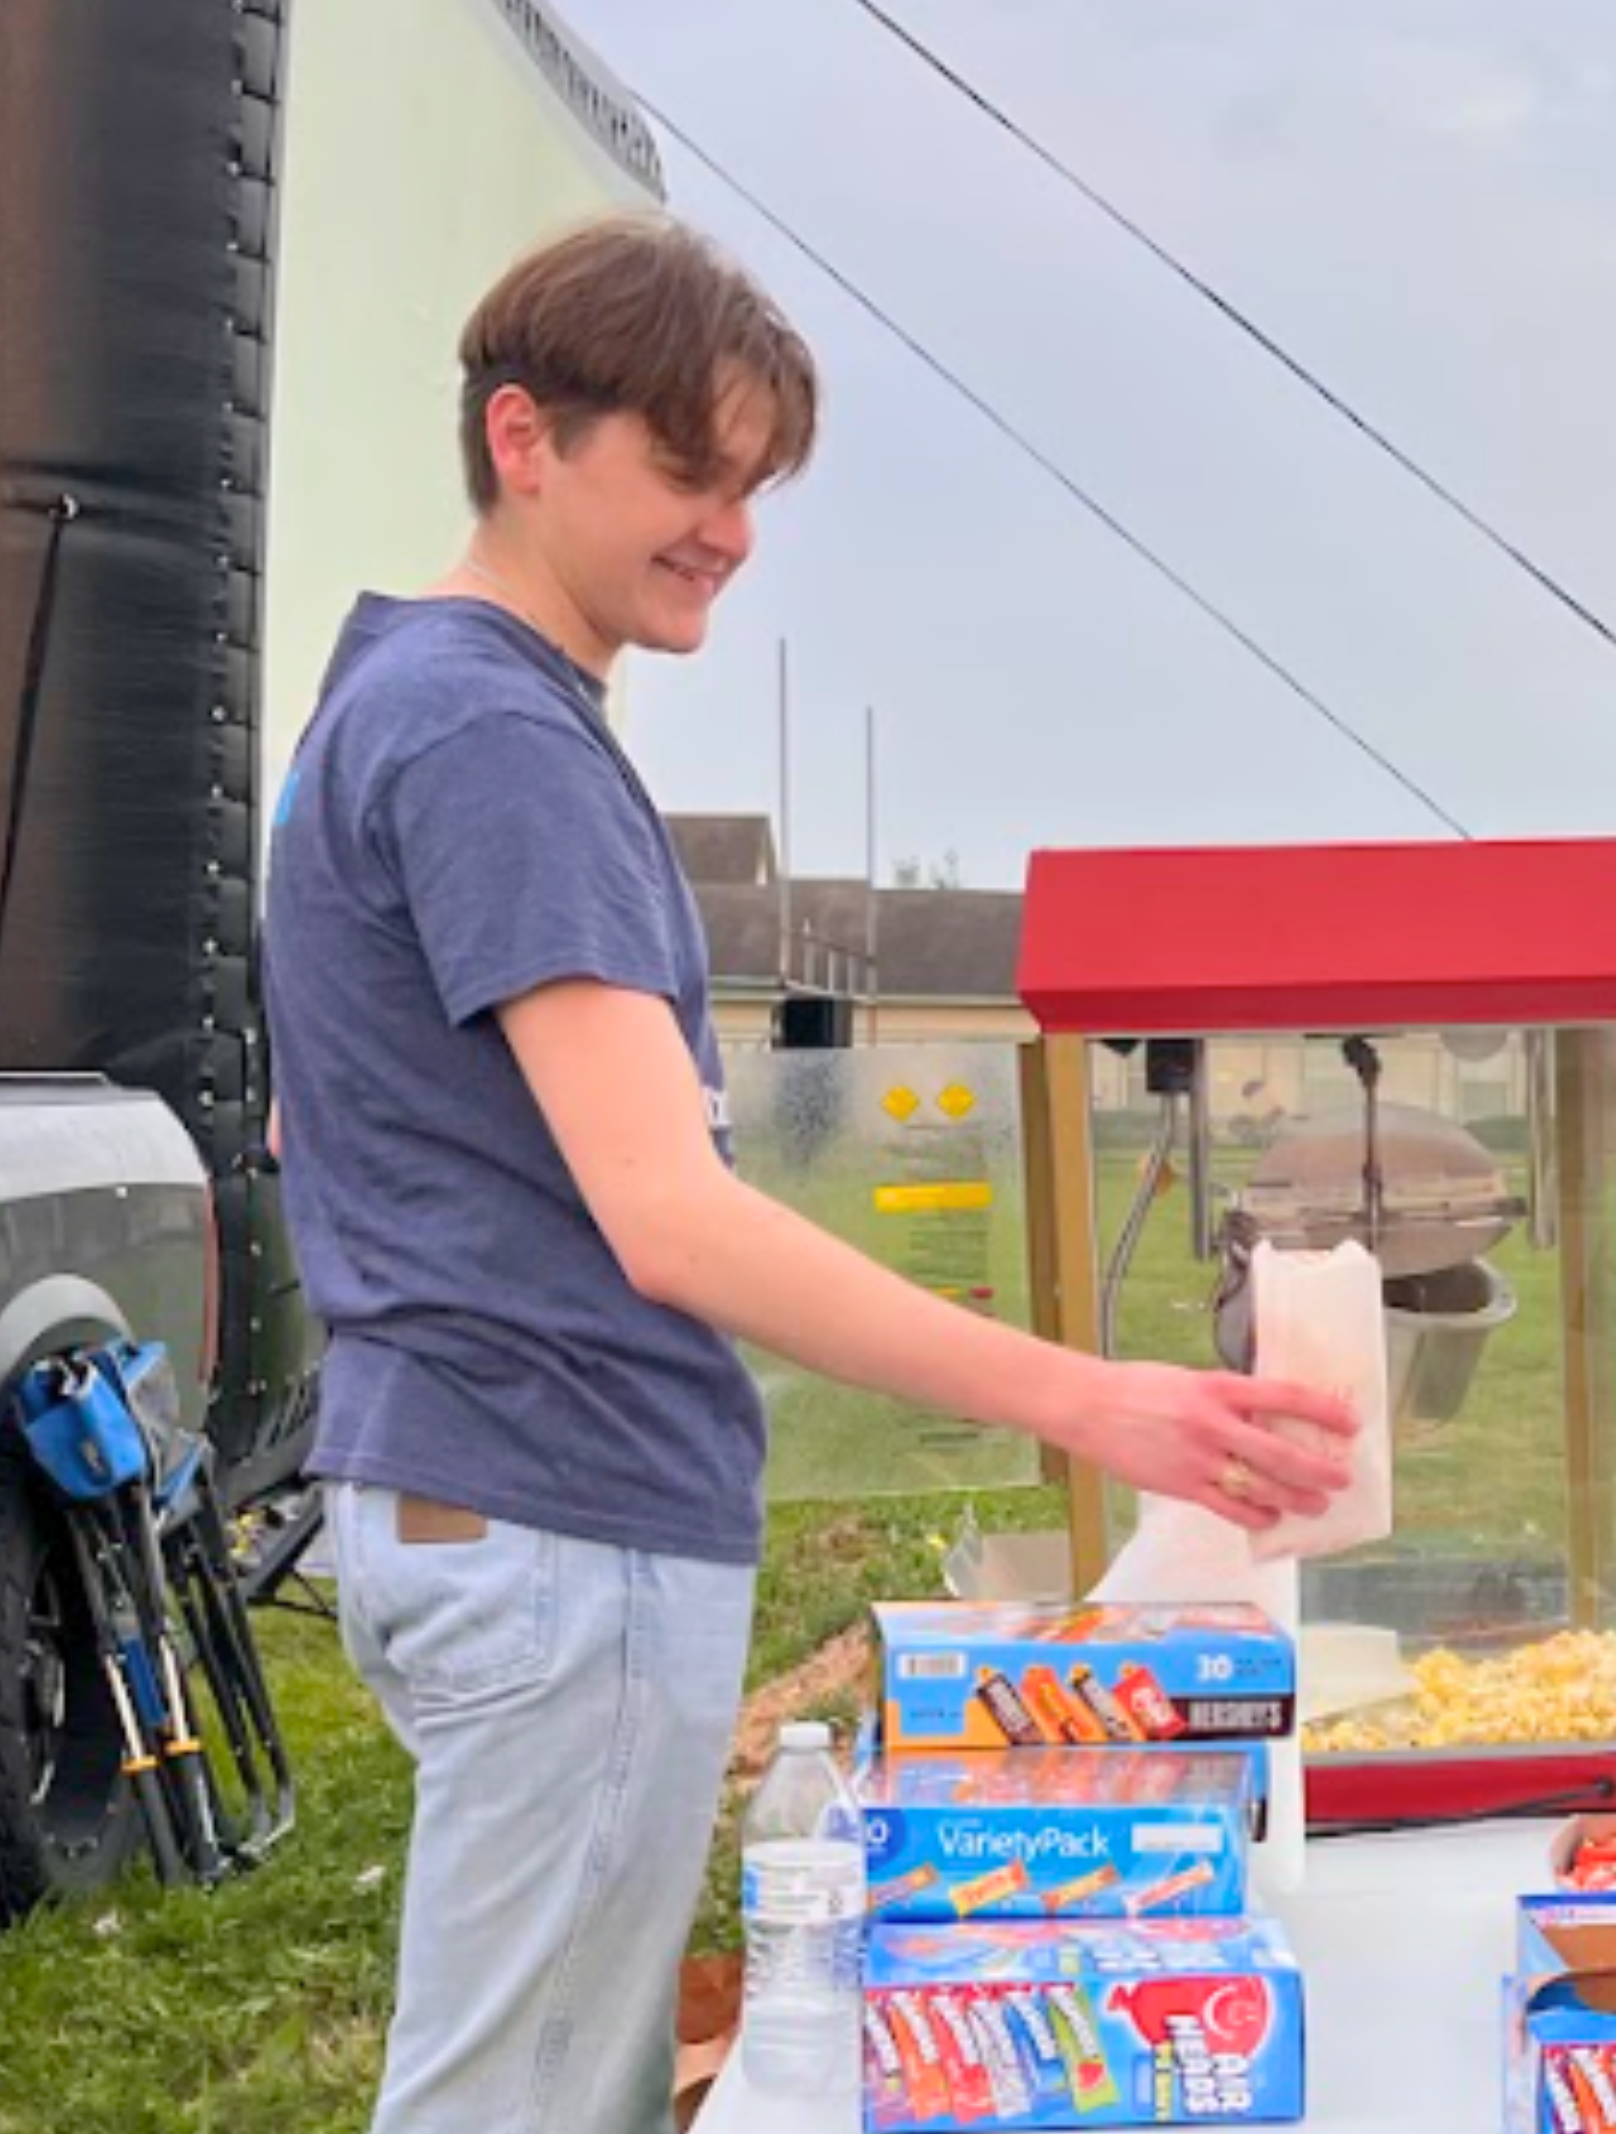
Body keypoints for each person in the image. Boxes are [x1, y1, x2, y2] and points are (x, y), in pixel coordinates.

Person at [263, 215, 1353, 2134]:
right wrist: (1094, 1398)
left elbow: (319, 1125)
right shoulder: (496, 732)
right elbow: (669, 1214)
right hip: (557, 1500)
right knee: (516, 2102)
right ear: (525, 438)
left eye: (752, 483)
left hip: (457, 1484)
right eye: (689, 468)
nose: (730, 529)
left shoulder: (393, 703)